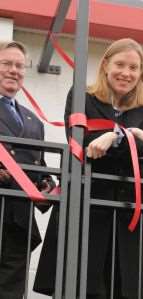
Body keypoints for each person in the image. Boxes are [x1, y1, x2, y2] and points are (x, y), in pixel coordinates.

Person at [34, 38, 143, 298]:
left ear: (140, 74)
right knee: (79, 288)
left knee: (117, 289)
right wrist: (130, 136)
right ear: (105, 65)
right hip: (84, 213)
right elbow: (84, 144)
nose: (126, 73)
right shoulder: (82, 96)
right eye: (120, 64)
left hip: (123, 220)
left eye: (134, 68)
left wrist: (114, 137)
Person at [0, 41, 54, 299]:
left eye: (20, 66)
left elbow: (38, 166)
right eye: (6, 64)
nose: (14, 70)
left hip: (19, 221)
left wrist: (46, 184)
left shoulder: (33, 120)